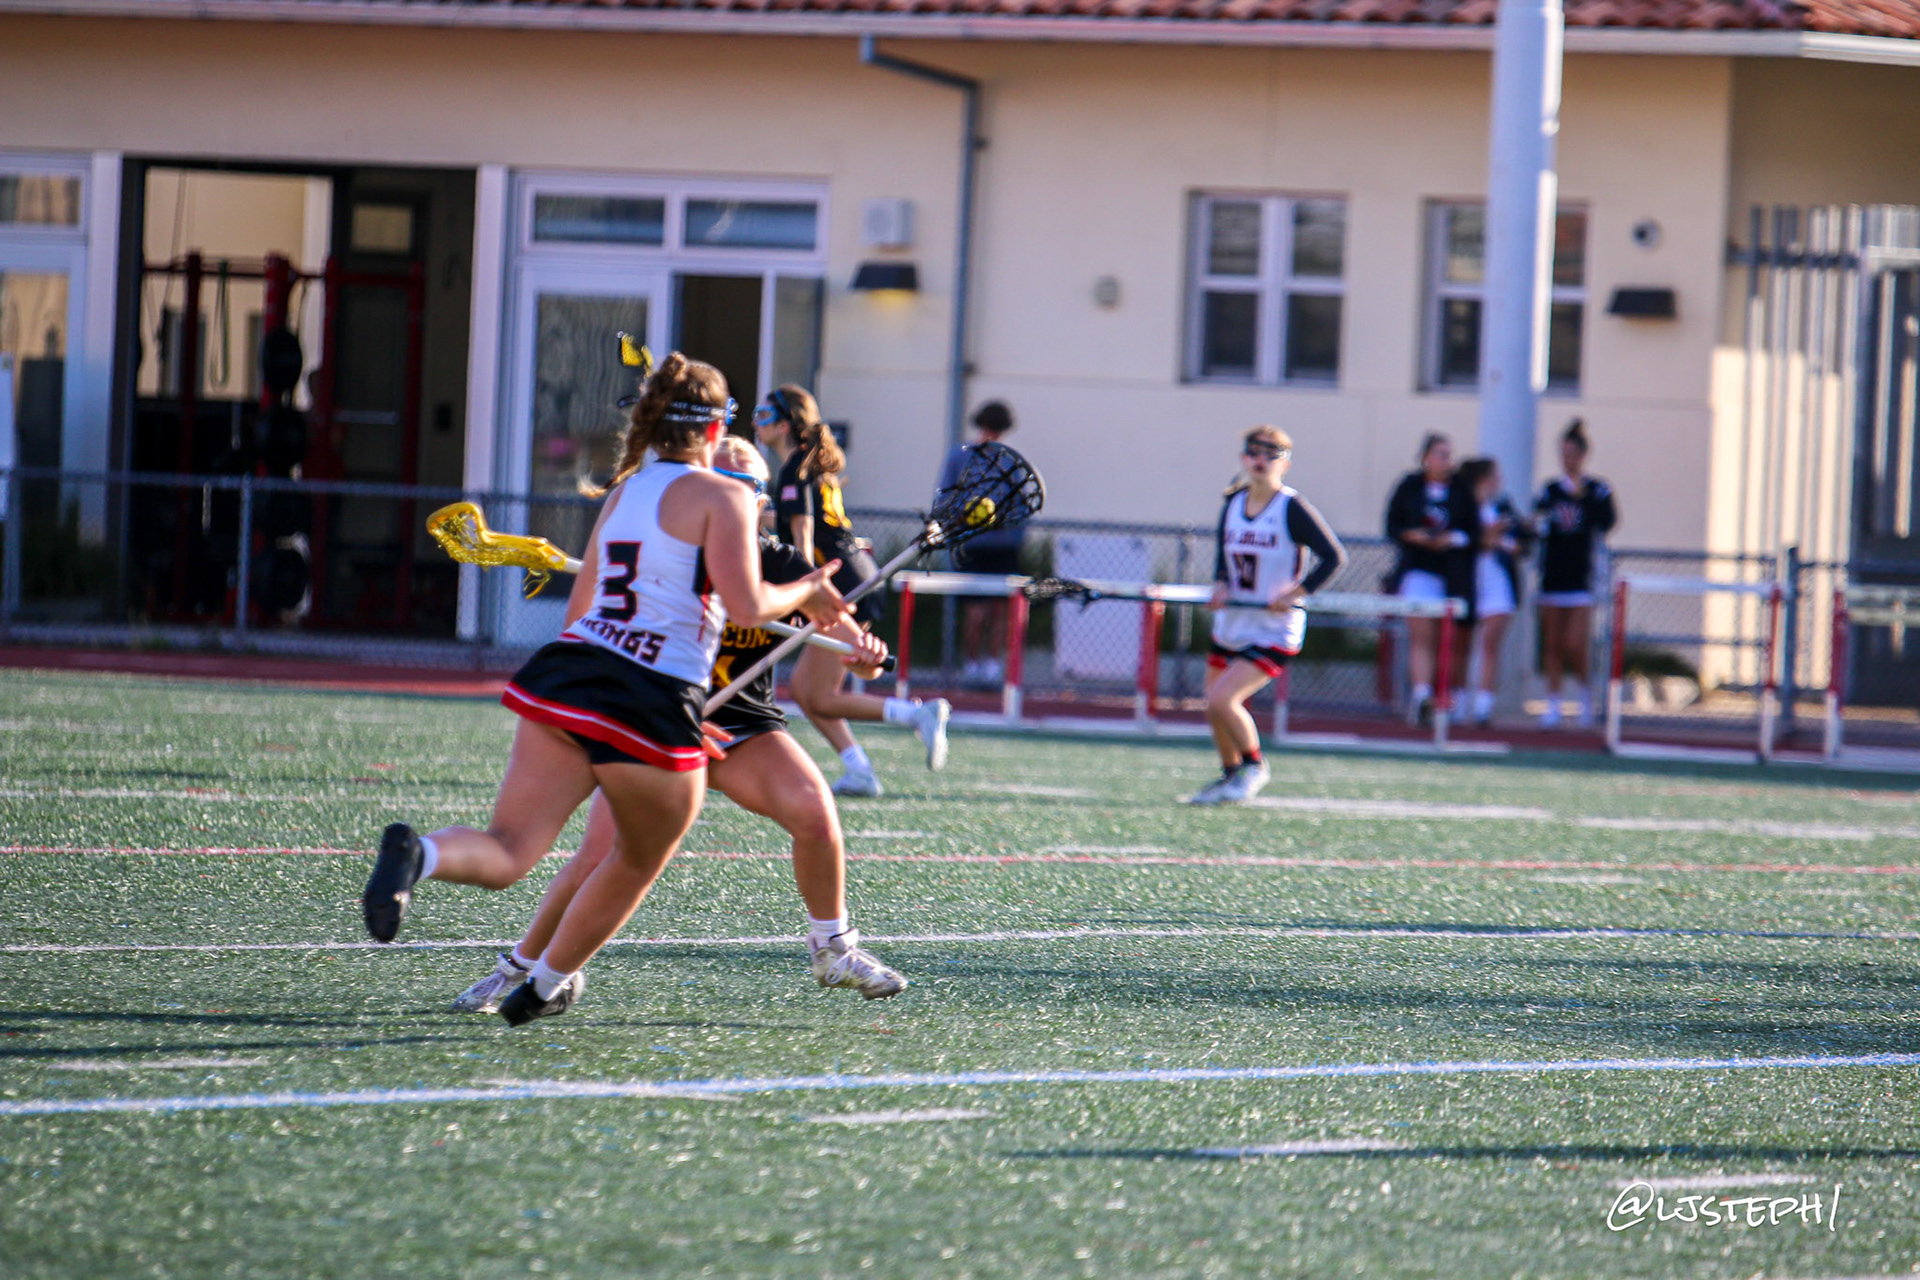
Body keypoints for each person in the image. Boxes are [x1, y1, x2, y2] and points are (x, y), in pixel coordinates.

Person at [362, 352, 853, 1027]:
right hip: (651, 696)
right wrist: (808, 591)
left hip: (569, 673)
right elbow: (746, 604)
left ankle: (423, 855)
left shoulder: (626, 491)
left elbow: (578, 613)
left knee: (508, 850)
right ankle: (543, 986)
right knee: (634, 857)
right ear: (715, 430)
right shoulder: (727, 496)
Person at [450, 437, 906, 1014]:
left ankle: (833, 948)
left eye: (748, 486)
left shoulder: (783, 564)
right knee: (598, 857)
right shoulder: (669, 552)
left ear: (761, 500)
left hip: (740, 724)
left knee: (815, 812)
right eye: (725, 481)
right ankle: (519, 968)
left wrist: (862, 654)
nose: (735, 495)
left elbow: (843, 636)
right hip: (655, 717)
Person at [754, 384, 949, 798]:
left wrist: (804, 589)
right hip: (855, 576)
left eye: (764, 416)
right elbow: (793, 518)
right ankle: (858, 768)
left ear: (786, 424)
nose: (756, 423)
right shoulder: (807, 465)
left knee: (819, 694)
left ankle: (916, 716)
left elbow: (803, 536)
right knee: (806, 692)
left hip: (839, 583)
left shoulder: (794, 468)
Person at [1189, 425, 1346, 806]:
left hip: (1273, 627)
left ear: (1285, 463)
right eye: (1255, 452)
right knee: (1213, 704)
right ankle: (1229, 775)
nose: (1261, 460)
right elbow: (1224, 555)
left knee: (1224, 700)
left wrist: (1296, 593)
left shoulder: (1291, 508)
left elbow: (1334, 558)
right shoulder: (1233, 502)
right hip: (1234, 621)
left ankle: (1254, 766)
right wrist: (1220, 584)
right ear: (1244, 458)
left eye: (1271, 454)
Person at [1533, 419, 1618, 728]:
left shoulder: (1597, 489)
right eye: (1563, 452)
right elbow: (1538, 520)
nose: (1567, 458)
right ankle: (1553, 702)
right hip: (1552, 576)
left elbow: (1607, 522)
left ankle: (1584, 695)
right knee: (1552, 643)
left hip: (1582, 577)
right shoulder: (1551, 490)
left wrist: (1583, 497)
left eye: (1572, 453)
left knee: (1575, 643)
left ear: (1583, 455)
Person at [1384, 433, 1470, 725]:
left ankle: (1446, 698)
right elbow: (1392, 525)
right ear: (1425, 457)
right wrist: (1415, 536)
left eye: (1448, 454)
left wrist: (1451, 539)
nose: (1445, 460)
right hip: (1418, 570)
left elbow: (1472, 530)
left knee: (1447, 640)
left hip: (1452, 575)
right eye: (1439, 454)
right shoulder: (1410, 486)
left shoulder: (1460, 489)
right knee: (1421, 636)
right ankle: (1422, 696)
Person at [940, 401, 1026, 685]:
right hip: (971, 547)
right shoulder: (959, 456)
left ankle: (991, 666)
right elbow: (945, 496)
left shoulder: (1009, 461)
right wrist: (959, 521)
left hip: (1003, 548)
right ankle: (972, 665)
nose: (992, 434)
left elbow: (1019, 506)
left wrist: (1008, 529)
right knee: (975, 613)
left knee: (1000, 611)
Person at [1455, 457, 1530, 727]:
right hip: (1468, 582)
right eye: (1494, 475)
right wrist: (1489, 537)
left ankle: (1483, 707)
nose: (1499, 481)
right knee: (1461, 645)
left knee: (1490, 645)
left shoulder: (1503, 507)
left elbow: (1522, 542)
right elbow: (1466, 541)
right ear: (1482, 479)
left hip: (1497, 582)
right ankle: (1458, 702)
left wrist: (1509, 538)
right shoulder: (1463, 507)